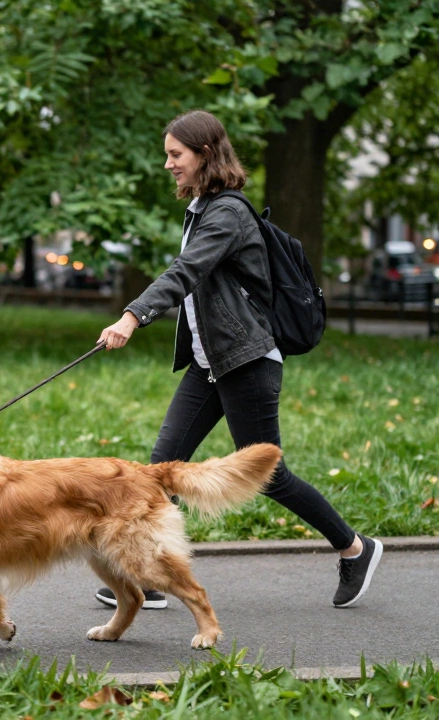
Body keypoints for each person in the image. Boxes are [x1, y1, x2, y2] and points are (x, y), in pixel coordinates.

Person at [94, 109, 382, 611]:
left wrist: (133, 316)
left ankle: (355, 548)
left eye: (175, 155)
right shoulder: (204, 207)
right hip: (212, 362)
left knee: (267, 473)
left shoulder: (226, 212)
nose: (168, 165)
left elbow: (187, 270)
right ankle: (153, 576)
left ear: (204, 154)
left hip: (247, 360)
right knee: (160, 468)